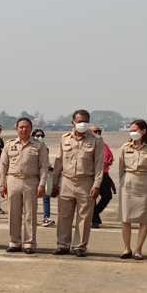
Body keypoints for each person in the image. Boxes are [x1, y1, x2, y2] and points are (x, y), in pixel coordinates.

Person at [51, 109, 105, 257]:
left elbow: (99, 164)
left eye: (85, 121)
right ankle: (62, 244)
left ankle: (80, 246)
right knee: (64, 215)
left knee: (84, 217)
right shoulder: (65, 138)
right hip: (67, 181)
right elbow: (59, 162)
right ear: (73, 122)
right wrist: (54, 183)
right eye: (79, 121)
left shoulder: (96, 140)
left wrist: (97, 185)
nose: (82, 124)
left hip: (86, 182)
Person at [0, 117, 49, 254]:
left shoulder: (39, 146)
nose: (23, 129)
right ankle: (14, 242)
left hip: (31, 181)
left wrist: (42, 184)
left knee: (30, 214)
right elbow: (2, 166)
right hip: (13, 180)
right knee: (13, 213)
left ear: (31, 129)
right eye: (21, 127)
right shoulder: (9, 145)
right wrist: (2, 184)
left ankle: (29, 243)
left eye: (26, 127)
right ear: (16, 129)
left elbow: (44, 167)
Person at [118, 119, 147, 260]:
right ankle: (126, 248)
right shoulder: (125, 147)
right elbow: (120, 169)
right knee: (125, 218)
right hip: (128, 183)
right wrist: (124, 182)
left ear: (143, 131)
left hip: (145, 183)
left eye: (135, 130)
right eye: (131, 130)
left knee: (144, 219)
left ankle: (138, 249)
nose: (133, 133)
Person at [91, 127, 115, 228]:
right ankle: (94, 219)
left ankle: (94, 214)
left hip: (104, 174)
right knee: (92, 197)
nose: (97, 133)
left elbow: (110, 158)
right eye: (95, 132)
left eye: (99, 132)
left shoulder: (104, 145)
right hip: (92, 175)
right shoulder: (88, 145)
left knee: (107, 196)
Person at [34, 128, 55, 227]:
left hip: (44, 174)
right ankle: (31, 217)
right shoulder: (31, 147)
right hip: (33, 175)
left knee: (46, 196)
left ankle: (46, 217)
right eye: (37, 135)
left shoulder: (45, 148)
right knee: (31, 198)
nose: (40, 137)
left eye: (41, 136)